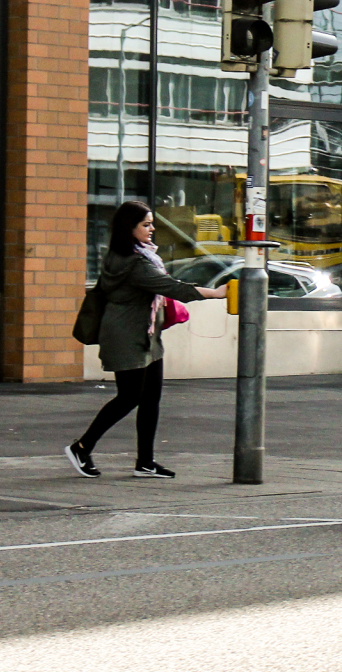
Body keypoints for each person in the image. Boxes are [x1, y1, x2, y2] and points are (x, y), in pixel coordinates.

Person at [65, 201, 227, 479]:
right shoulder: (135, 263)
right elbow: (171, 287)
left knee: (151, 398)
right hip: (126, 336)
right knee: (129, 398)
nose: (152, 229)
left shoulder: (131, 255)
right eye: (146, 224)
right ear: (130, 228)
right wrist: (215, 293)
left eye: (152, 223)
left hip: (146, 334)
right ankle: (82, 447)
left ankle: (146, 462)